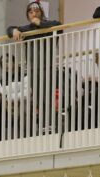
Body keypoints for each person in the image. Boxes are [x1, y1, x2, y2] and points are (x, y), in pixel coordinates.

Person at [8, 1, 61, 134]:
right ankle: (43, 125)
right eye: (31, 12)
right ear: (28, 15)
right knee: (38, 97)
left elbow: (59, 26)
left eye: (36, 11)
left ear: (41, 13)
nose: (34, 14)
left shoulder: (49, 24)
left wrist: (40, 23)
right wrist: (14, 30)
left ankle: (52, 124)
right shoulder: (27, 28)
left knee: (48, 96)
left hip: (48, 67)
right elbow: (10, 29)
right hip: (33, 68)